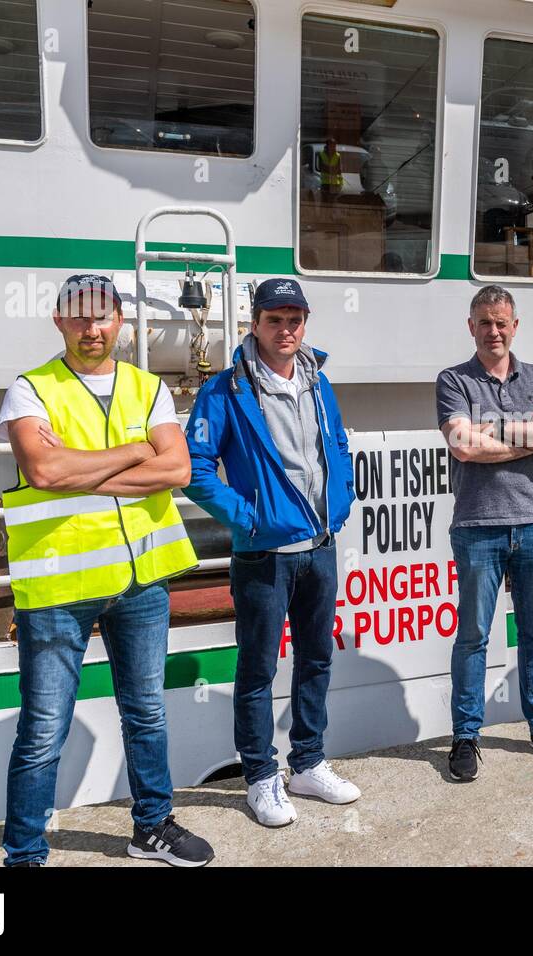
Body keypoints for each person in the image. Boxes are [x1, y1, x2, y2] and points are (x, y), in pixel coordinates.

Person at [0, 274, 211, 867]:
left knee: (147, 711)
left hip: (141, 581)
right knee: (43, 730)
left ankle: (151, 828)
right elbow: (43, 472)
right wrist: (138, 450)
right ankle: (24, 855)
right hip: (60, 587)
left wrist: (84, 465)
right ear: (59, 321)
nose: (92, 330)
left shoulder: (147, 388)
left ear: (120, 321)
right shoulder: (30, 390)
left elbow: (177, 471)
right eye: (79, 318)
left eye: (103, 317)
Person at [185, 278, 359, 827]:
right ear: (254, 324)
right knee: (258, 668)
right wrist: (248, 517)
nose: (286, 330)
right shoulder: (226, 391)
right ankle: (260, 775)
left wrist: (340, 502)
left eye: (295, 320)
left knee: (316, 658)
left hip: (320, 546)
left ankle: (307, 763)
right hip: (265, 552)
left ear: (305, 322)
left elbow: (337, 447)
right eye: (275, 320)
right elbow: (195, 466)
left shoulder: (318, 379)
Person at [436, 285, 533, 782]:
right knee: (475, 636)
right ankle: (465, 735)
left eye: (502, 322)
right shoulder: (453, 380)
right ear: (470, 326)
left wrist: (493, 431)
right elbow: (462, 446)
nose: (493, 331)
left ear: (514, 326)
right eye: (484, 322)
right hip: (477, 527)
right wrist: (529, 435)